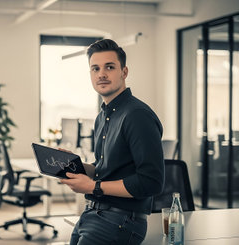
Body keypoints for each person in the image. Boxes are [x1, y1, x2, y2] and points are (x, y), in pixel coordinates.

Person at [60, 39, 164, 245]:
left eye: (109, 67)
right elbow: (105, 169)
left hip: (121, 220)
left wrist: (93, 187)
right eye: (95, 69)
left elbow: (152, 182)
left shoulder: (136, 115)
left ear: (124, 72)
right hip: (93, 214)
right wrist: (77, 166)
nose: (101, 74)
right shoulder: (103, 116)